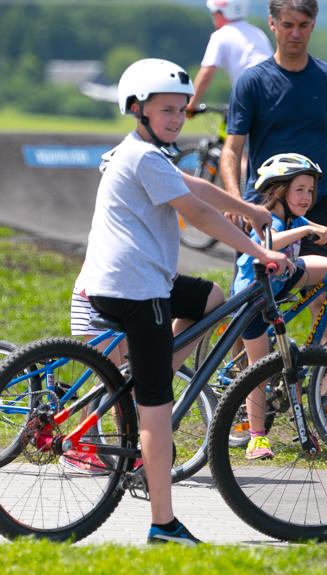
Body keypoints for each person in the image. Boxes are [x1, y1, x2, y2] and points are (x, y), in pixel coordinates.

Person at [77, 58, 289, 545]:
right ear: (137, 109)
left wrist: (250, 209)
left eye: (182, 110)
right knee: (156, 409)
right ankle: (163, 524)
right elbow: (193, 211)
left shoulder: (147, 156)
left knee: (211, 297)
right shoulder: (144, 158)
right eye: (166, 110)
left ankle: (152, 374)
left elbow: (196, 188)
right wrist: (257, 252)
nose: (176, 118)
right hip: (136, 290)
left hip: (136, 281)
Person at [220, 0, 327, 343]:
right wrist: (235, 201)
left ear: (314, 25)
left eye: (303, 25)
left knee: (326, 294)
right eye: (288, 25)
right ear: (272, 25)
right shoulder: (252, 81)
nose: (295, 33)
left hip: (317, 200)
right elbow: (232, 148)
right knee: (250, 301)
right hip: (264, 205)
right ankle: (242, 387)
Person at [231, 153, 327, 459]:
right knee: (258, 372)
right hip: (253, 298)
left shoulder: (295, 220)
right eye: (300, 189)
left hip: (279, 285)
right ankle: (256, 438)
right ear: (279, 191)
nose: (307, 196)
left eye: (311, 190)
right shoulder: (270, 220)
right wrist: (304, 231)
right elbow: (267, 243)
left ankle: (325, 301)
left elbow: (321, 229)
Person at [186, 0, 273, 112]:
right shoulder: (258, 32)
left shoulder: (220, 35)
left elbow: (206, 73)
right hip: (274, 88)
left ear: (220, 13)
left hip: (249, 92)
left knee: (237, 128)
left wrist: (190, 104)